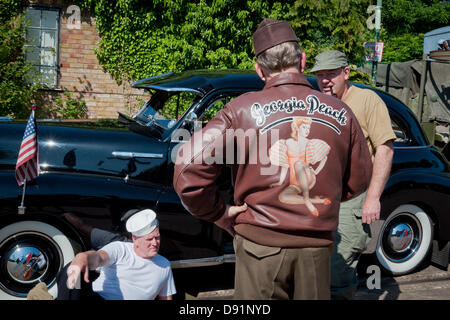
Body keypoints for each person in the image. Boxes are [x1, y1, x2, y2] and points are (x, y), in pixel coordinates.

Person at [173, 18, 372, 300]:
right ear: (302, 61)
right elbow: (359, 179)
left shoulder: (238, 110)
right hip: (317, 250)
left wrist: (218, 212)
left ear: (259, 70)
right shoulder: (341, 111)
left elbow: (187, 170)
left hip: (259, 249)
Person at [311, 49, 396, 300]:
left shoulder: (367, 100)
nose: (325, 80)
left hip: (352, 198)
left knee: (340, 264)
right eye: (320, 75)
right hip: (321, 196)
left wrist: (373, 197)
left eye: (331, 74)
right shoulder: (318, 102)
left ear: (346, 73)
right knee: (317, 263)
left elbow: (385, 148)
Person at [57, 209, 176, 300]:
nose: (155, 243)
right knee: (72, 269)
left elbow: (166, 298)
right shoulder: (120, 248)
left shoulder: (164, 265)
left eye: (157, 237)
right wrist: (82, 258)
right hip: (97, 297)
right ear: (135, 239)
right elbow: (99, 258)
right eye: (149, 239)